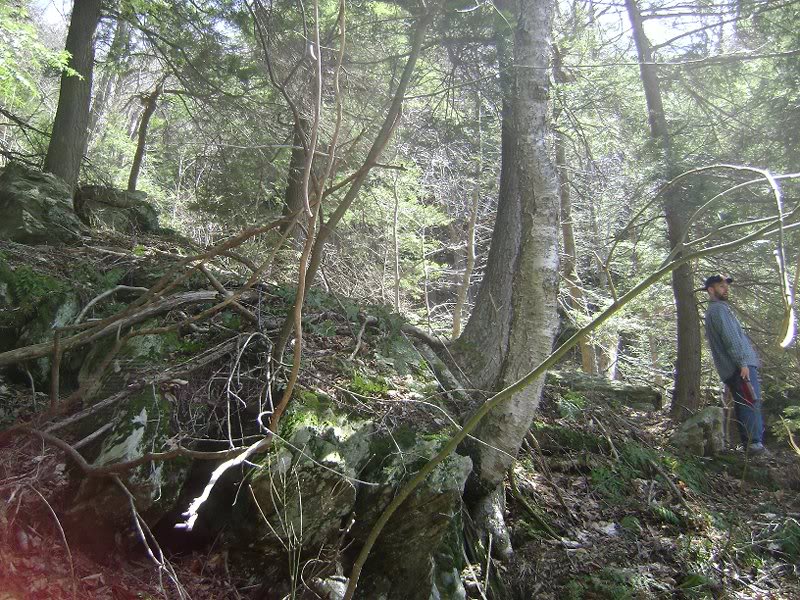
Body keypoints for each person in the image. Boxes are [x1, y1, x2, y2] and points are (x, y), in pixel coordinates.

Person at [703, 274, 767, 454]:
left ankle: (751, 444)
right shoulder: (718, 310)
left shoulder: (717, 310)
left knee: (745, 401)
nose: (726, 289)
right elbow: (731, 339)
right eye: (721, 286)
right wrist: (743, 363)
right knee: (750, 401)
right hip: (739, 367)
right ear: (711, 290)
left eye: (726, 286)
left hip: (736, 367)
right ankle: (754, 445)